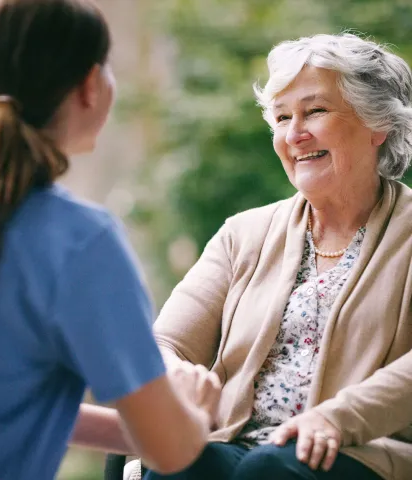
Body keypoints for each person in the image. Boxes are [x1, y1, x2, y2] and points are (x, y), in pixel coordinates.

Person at [0, 0, 222, 478]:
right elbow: (173, 453)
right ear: (90, 85)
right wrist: (193, 411)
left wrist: (147, 424)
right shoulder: (81, 243)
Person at [141, 33, 412, 480]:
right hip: (238, 444)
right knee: (179, 466)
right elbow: (165, 343)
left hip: (361, 452)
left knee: (268, 471)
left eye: (315, 111)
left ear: (376, 124)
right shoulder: (243, 234)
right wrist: (177, 378)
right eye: (282, 117)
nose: (294, 134)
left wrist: (336, 418)